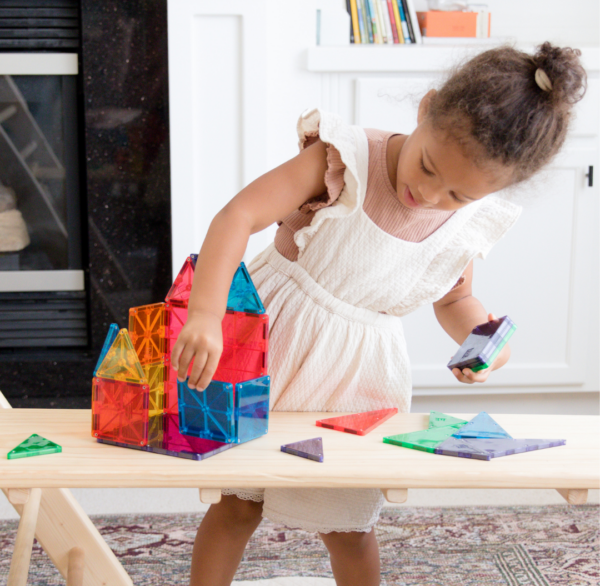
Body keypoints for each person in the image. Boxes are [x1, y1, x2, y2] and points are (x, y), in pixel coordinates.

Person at [171, 42, 586, 586]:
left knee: (349, 526)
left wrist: (483, 340)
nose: (429, 194)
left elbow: (455, 300)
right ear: (426, 108)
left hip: (360, 378)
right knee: (238, 502)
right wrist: (206, 311)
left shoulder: (466, 223)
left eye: (456, 194)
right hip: (271, 346)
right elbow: (238, 214)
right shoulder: (344, 158)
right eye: (428, 166)